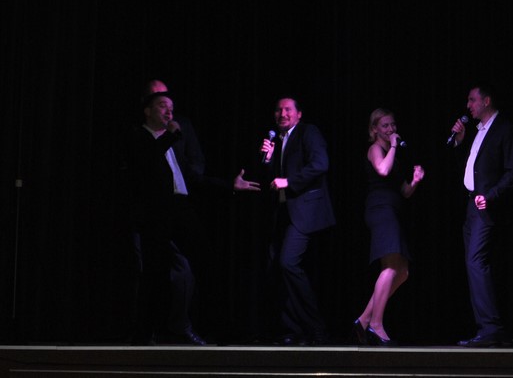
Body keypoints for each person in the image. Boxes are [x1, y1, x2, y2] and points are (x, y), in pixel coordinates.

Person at [125, 83, 259, 346]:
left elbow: (193, 178)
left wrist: (229, 186)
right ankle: (145, 333)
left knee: (206, 262)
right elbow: (146, 161)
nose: (169, 112)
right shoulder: (139, 136)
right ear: (147, 111)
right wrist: (171, 136)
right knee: (154, 273)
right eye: (162, 106)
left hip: (180, 207)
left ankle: (222, 328)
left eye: (171, 108)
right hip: (155, 211)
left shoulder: (172, 143)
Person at [259, 96, 336, 345]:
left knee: (288, 262)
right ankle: (293, 330)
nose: (282, 114)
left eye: (288, 110)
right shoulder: (278, 140)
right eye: (278, 110)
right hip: (282, 212)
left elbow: (320, 164)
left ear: (299, 114)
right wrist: (268, 160)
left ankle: (316, 327)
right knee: (277, 268)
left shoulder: (307, 132)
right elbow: (274, 181)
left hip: (305, 211)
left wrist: (289, 181)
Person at [448, 83, 513, 347]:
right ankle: (486, 328)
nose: (468, 106)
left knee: (476, 261)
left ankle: (491, 328)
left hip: (485, 206)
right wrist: (459, 142)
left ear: (486, 101)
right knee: (473, 264)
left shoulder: (503, 129)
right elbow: (469, 169)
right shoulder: (478, 130)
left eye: (472, 100)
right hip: (471, 205)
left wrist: (490, 196)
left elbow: (512, 173)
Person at [353, 109, 424, 346]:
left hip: (393, 211)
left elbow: (404, 191)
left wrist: (415, 181)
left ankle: (364, 319)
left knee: (402, 272)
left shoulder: (394, 155)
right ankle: (376, 324)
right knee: (391, 267)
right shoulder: (375, 149)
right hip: (380, 210)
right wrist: (393, 145)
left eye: (393, 125)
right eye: (385, 126)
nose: (391, 129)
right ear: (374, 129)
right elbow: (382, 170)